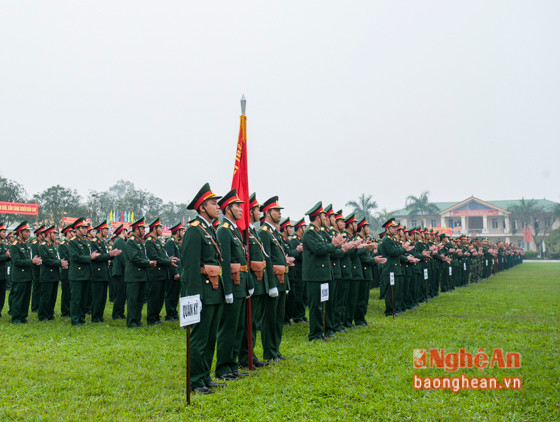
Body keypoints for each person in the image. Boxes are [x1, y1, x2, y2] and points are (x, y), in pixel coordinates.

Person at [180, 183, 225, 394]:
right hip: (202, 292)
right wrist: (192, 297)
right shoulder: (194, 231)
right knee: (199, 338)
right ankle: (196, 380)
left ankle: (205, 375)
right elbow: (189, 268)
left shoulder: (209, 229)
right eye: (213, 203)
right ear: (201, 208)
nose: (218, 207)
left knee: (210, 337)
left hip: (214, 291)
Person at [215, 189, 252, 380]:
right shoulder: (223, 231)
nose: (241, 209)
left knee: (238, 328)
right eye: (237, 206)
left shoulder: (234, 230)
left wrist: (249, 283)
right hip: (233, 286)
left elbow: (243, 261)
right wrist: (227, 290)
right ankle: (223, 367)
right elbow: (225, 263)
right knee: (228, 328)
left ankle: (233, 364)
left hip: (241, 284)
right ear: (228, 208)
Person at [259, 196, 294, 361]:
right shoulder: (264, 233)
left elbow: (279, 256)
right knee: (270, 319)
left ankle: (276, 349)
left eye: (280, 211)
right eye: (276, 211)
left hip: (281, 279)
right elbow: (267, 260)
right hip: (273, 281)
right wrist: (271, 284)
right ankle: (269, 352)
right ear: (267, 212)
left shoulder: (274, 232)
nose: (279, 214)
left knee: (278, 318)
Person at [302, 202, 344, 340]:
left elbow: (325, 248)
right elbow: (319, 249)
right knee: (316, 306)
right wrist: (334, 244)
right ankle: (315, 333)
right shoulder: (310, 232)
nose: (326, 218)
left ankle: (323, 330)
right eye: (323, 216)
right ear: (317, 218)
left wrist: (332, 245)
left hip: (323, 274)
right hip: (315, 275)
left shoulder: (317, 232)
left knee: (323, 303)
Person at [239, 193, 269, 369]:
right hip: (251, 281)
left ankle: (251, 354)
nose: (260, 212)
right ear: (250, 211)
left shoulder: (253, 231)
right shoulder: (244, 231)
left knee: (254, 322)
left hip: (258, 281)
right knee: (248, 323)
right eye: (258, 209)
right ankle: (246, 356)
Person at [125, 217, 156, 328]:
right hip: (133, 275)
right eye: (142, 228)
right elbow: (134, 258)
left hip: (141, 275)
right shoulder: (131, 241)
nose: (144, 231)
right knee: (133, 300)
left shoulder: (139, 241)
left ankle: (137, 319)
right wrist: (148, 263)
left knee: (139, 299)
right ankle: (131, 321)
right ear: (137, 229)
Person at [68, 218, 99, 326]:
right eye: (83, 228)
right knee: (76, 298)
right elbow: (75, 257)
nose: (85, 230)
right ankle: (75, 319)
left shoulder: (86, 241)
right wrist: (90, 257)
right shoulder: (72, 242)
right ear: (77, 230)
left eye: (86, 228)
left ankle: (82, 318)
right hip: (77, 274)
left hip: (86, 273)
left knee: (84, 298)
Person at [145, 217, 177, 325]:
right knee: (154, 297)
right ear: (154, 228)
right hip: (155, 274)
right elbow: (154, 258)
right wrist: (168, 262)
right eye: (160, 227)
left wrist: (169, 259)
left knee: (160, 297)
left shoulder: (157, 241)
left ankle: (156, 316)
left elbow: (163, 256)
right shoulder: (149, 241)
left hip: (162, 274)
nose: (162, 230)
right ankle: (151, 318)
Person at [9, 221, 42, 324]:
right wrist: (32, 261)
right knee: (18, 297)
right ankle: (16, 318)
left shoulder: (26, 245)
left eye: (29, 232)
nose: (28, 234)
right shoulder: (15, 245)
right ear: (20, 232)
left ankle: (23, 316)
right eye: (26, 232)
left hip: (27, 275)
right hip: (19, 276)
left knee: (26, 297)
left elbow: (27, 260)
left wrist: (33, 261)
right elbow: (17, 261)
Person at [90, 221, 121, 322]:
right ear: (100, 230)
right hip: (97, 272)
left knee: (103, 297)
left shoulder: (103, 242)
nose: (107, 231)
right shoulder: (94, 242)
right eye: (106, 229)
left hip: (104, 272)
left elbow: (105, 256)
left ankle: (100, 315)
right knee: (97, 296)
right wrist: (110, 255)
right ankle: (95, 316)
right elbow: (97, 257)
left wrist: (111, 256)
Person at [38, 226, 68, 321]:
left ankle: (50, 314)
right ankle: (43, 315)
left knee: (53, 296)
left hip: (54, 274)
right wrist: (60, 263)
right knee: (45, 296)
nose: (55, 235)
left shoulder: (52, 246)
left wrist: (61, 263)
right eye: (54, 233)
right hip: (47, 275)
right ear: (48, 234)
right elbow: (46, 260)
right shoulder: (43, 246)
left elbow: (56, 259)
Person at [164, 222, 184, 322]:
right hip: (173, 273)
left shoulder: (175, 242)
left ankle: (174, 312)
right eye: (181, 230)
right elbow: (171, 258)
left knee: (176, 294)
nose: (183, 232)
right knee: (171, 294)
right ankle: (169, 314)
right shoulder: (170, 242)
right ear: (177, 231)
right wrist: (175, 272)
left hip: (178, 272)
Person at [111, 224, 128, 320]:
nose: (127, 234)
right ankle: (116, 313)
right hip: (119, 271)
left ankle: (120, 312)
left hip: (121, 271)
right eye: (125, 231)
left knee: (123, 294)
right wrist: (128, 266)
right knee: (120, 294)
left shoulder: (120, 241)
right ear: (122, 232)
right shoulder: (120, 241)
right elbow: (122, 257)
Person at [58, 224, 75, 317]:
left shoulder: (72, 243)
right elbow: (65, 258)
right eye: (73, 232)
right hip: (66, 270)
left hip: (72, 270)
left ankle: (70, 309)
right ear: (68, 233)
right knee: (66, 292)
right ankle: (65, 311)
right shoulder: (62, 245)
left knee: (71, 292)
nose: (74, 234)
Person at [30, 225, 45, 312]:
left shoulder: (42, 244)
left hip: (42, 268)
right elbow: (34, 257)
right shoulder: (35, 244)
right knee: (36, 288)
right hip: (36, 269)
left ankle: (39, 305)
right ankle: (35, 306)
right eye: (43, 233)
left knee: (41, 288)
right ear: (39, 234)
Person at [0, 222, 10, 318]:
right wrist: (5, 256)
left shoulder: (4, 245)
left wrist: (9, 257)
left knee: (2, 294)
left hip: (3, 273)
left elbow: (6, 257)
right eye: (3, 232)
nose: (5, 234)